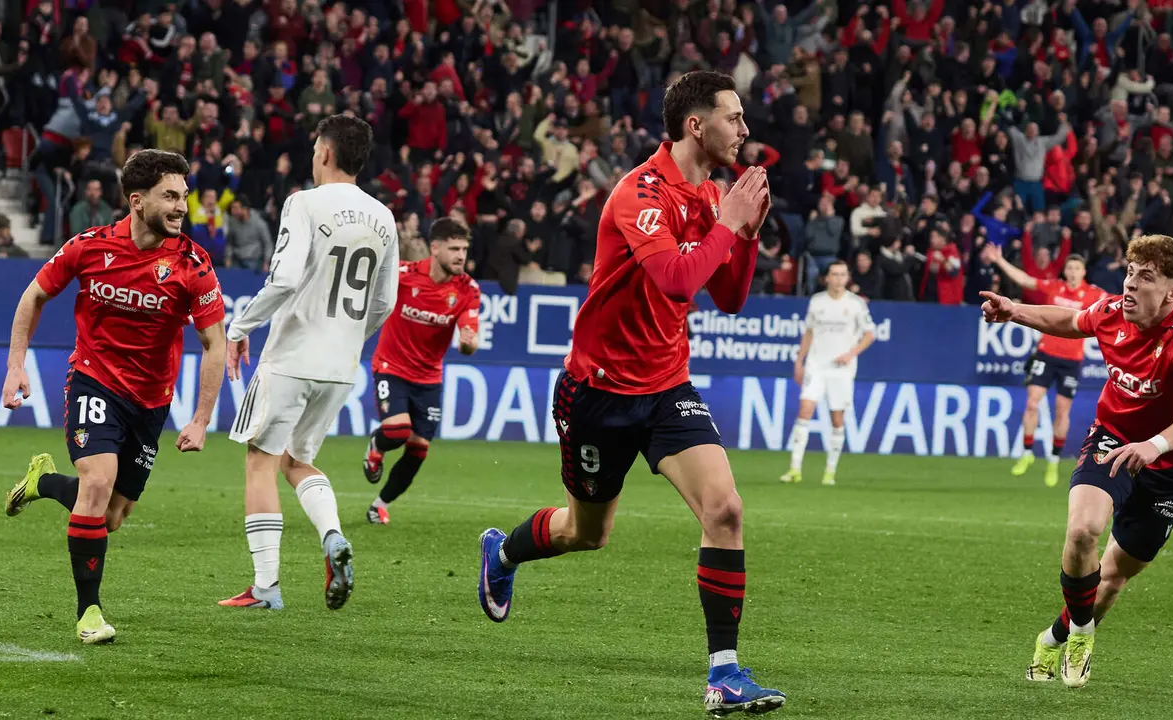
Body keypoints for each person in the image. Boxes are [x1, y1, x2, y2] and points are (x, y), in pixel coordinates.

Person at [475, 70, 784, 716]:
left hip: (667, 385)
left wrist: (745, 236)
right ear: (696, 125)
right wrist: (727, 224)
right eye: (734, 116)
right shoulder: (638, 191)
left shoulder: (706, 198)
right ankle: (502, 551)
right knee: (587, 532)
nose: (745, 128)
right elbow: (676, 279)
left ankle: (723, 675)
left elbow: (726, 298)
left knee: (724, 510)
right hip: (598, 393)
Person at [979, 234, 1173, 688]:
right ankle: (1081, 635)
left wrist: (1154, 445)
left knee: (1112, 577)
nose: (1129, 284)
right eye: (1130, 272)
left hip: (1169, 463)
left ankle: (1054, 638)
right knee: (1082, 530)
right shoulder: (1112, 312)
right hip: (1112, 440)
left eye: (1145, 277)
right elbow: (1071, 321)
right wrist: (1016, 311)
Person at [2, 150, 227, 644]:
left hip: (151, 400)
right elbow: (33, 296)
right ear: (137, 200)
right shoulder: (88, 247)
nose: (181, 208)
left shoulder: (192, 263)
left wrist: (202, 418)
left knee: (110, 516)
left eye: (184, 197)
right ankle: (90, 614)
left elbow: (215, 344)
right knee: (97, 481)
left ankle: (42, 484)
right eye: (171, 196)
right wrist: (17, 364)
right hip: (95, 379)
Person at [218, 116, 399, 612]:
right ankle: (333, 536)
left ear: (324, 152)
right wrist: (346, 337)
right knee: (298, 461)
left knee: (261, 459)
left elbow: (282, 280)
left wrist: (240, 328)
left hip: (293, 355)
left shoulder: (303, 203)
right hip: (342, 366)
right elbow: (385, 302)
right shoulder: (384, 217)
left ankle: (265, 587)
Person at [362, 217, 480, 524]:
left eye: (464, 249)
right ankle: (377, 444)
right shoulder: (401, 275)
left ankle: (379, 505)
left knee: (419, 449)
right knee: (398, 432)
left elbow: (469, 340)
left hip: (429, 379)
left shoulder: (468, 289)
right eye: (454, 248)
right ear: (435, 247)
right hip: (392, 367)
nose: (460, 256)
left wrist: (468, 343)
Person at [984, 245, 1106, 487]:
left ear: (1084, 272)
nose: (1072, 272)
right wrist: (999, 260)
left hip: (1071, 361)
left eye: (1077, 268)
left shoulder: (1093, 294)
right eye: (1069, 268)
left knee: (1062, 411)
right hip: (1045, 354)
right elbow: (1026, 280)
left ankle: (1052, 459)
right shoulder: (1054, 287)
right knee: (1031, 403)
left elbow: (1117, 305)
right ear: (1065, 271)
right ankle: (1027, 453)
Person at [781, 260, 875, 485]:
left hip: (841, 370)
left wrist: (851, 354)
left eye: (843, 274)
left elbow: (870, 334)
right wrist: (799, 361)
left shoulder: (856, 304)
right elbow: (809, 333)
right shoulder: (817, 302)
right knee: (804, 411)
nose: (839, 278)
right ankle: (795, 469)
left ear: (848, 277)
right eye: (835, 274)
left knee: (837, 419)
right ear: (827, 278)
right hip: (816, 365)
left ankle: (830, 471)